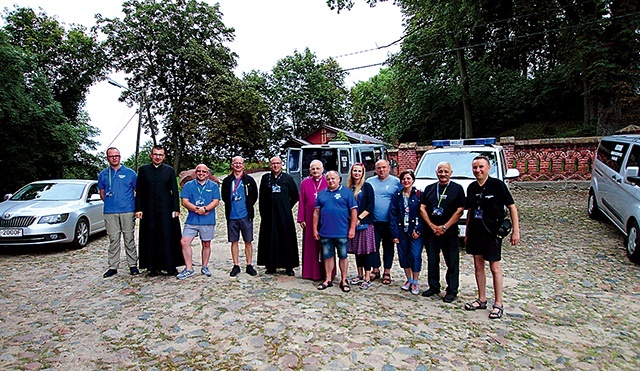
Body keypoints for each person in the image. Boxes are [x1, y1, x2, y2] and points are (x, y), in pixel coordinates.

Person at [464, 155, 520, 319]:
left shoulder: (497, 185)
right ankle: (481, 299)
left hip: (492, 232)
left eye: (481, 167)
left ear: (488, 168)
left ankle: (498, 303)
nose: (478, 170)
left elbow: (512, 207)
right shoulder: (472, 187)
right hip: (476, 231)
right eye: (475, 167)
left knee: (495, 268)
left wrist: (516, 230)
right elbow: (470, 212)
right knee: (478, 265)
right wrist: (467, 233)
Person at [419, 162, 466, 302]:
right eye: (440, 171)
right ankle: (433, 286)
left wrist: (444, 227)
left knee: (452, 261)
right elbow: (422, 208)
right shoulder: (429, 188)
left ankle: (452, 290)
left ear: (451, 173)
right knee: (432, 259)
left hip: (449, 231)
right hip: (431, 231)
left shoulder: (457, 189)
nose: (443, 174)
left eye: (446, 171)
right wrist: (432, 226)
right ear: (436, 173)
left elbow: (460, 210)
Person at [135, 145, 184, 276]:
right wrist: (138, 208)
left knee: (167, 236)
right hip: (148, 209)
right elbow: (139, 190)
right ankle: (152, 267)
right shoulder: (144, 170)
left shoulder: (169, 170)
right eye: (155, 154)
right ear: (151, 155)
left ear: (164, 156)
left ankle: (170, 266)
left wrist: (176, 208)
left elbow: (174, 191)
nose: (157, 157)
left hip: (166, 209)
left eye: (160, 155)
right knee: (150, 236)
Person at [313, 171, 357, 292]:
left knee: (343, 256)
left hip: (342, 232)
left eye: (333, 178)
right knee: (327, 256)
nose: (331, 181)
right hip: (325, 232)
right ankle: (328, 279)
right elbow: (316, 213)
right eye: (328, 179)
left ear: (339, 179)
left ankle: (343, 280)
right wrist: (315, 229)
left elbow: (353, 212)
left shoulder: (347, 193)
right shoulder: (321, 194)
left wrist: (352, 228)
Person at [98, 147, 139, 278]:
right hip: (110, 211)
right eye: (111, 156)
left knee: (129, 238)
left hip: (127, 210)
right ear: (107, 158)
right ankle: (113, 266)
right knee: (113, 239)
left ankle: (132, 265)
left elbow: (137, 190)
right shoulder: (103, 174)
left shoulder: (130, 173)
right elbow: (102, 193)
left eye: (117, 156)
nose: (114, 158)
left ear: (120, 157)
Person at [176, 164, 221, 280]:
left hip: (208, 220)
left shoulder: (214, 186)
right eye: (199, 171)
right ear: (195, 173)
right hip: (192, 220)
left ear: (207, 174)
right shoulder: (188, 185)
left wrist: (205, 209)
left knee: (206, 244)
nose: (201, 173)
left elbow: (216, 201)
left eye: (204, 172)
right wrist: (197, 209)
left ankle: (204, 266)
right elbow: (184, 202)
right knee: (184, 242)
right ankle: (189, 268)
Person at [258, 156, 299, 276]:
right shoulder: (266, 178)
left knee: (286, 238)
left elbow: (295, 196)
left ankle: (289, 266)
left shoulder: (288, 178)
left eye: (278, 163)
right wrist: (263, 212)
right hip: (269, 214)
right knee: (269, 238)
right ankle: (271, 265)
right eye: (273, 163)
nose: (275, 165)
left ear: (281, 164)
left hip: (284, 215)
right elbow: (262, 197)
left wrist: (286, 206)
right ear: (270, 165)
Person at [221, 156, 259, 277]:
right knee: (234, 241)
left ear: (243, 165)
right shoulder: (227, 181)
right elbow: (224, 197)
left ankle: (249, 265)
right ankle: (236, 265)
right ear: (232, 165)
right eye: (235, 163)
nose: (237, 165)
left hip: (246, 215)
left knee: (248, 241)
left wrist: (247, 206)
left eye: (240, 163)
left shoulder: (249, 180)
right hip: (232, 216)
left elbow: (254, 195)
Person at [298, 160, 335, 281]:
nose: (315, 171)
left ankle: (328, 273)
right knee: (311, 246)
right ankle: (310, 272)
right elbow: (302, 201)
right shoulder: (305, 183)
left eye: (317, 168)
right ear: (309, 170)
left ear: (322, 169)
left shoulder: (328, 181)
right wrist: (301, 218)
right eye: (313, 169)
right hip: (309, 217)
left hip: (326, 218)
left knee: (327, 245)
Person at [366, 159, 401, 284]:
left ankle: (387, 271)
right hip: (374, 221)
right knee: (373, 247)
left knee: (388, 247)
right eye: (379, 168)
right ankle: (376, 269)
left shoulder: (396, 182)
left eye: (384, 167)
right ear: (376, 169)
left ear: (389, 168)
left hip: (390, 222)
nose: (382, 170)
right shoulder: (370, 182)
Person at [389, 170, 424, 295]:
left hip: (414, 231)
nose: (406, 181)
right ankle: (408, 279)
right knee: (404, 256)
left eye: (408, 178)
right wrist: (394, 234)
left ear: (413, 180)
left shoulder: (419, 195)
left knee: (415, 255)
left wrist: (419, 230)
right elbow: (392, 215)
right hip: (401, 231)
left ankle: (415, 280)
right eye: (404, 179)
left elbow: (423, 214)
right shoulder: (397, 196)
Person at [346, 163, 376, 289]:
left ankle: (367, 276)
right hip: (353, 224)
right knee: (358, 251)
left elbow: (370, 206)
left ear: (362, 173)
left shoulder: (367, 186)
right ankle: (359, 274)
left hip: (365, 223)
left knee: (366, 251)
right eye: (355, 171)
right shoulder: (348, 188)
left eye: (359, 171)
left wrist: (358, 218)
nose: (356, 173)